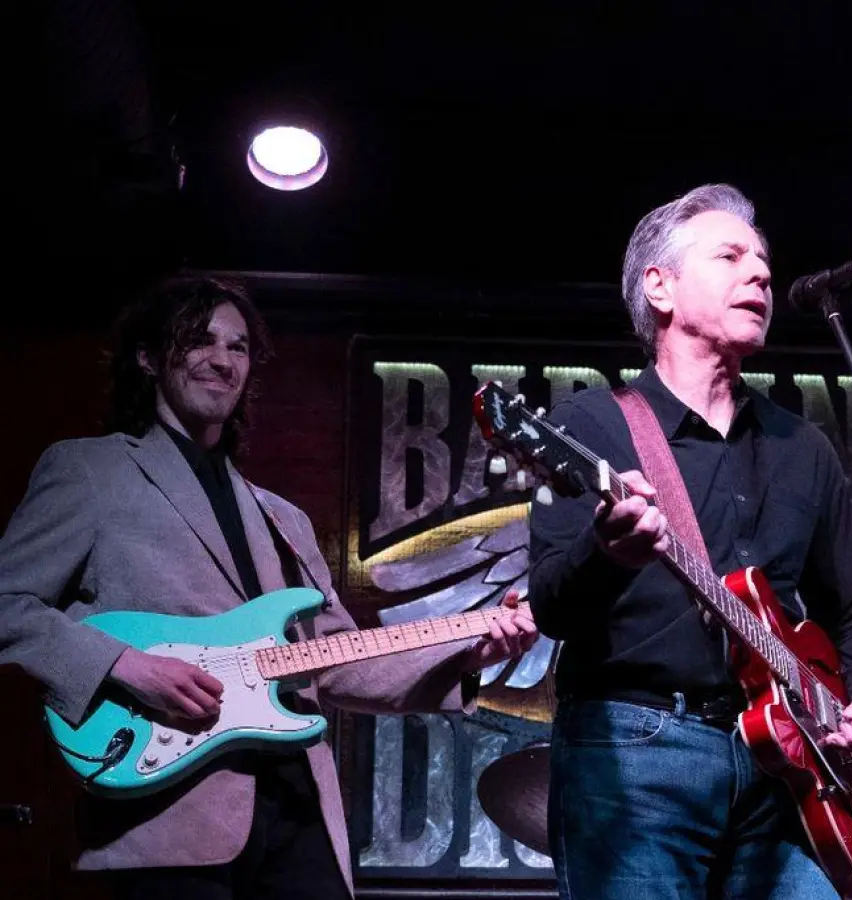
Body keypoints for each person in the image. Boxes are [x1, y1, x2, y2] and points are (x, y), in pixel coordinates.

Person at [0, 275, 539, 900]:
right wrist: (125, 666)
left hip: (297, 813)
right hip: (168, 820)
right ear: (147, 358)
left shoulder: (282, 518)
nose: (223, 360)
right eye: (198, 340)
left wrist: (468, 652)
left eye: (238, 347)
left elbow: (336, 663)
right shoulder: (91, 470)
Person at [525, 183, 852, 899]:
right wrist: (605, 553)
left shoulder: (805, 448)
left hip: (793, 767)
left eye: (762, 261)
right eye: (730, 255)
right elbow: (550, 606)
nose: (759, 274)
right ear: (660, 288)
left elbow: (851, 611)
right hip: (637, 747)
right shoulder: (591, 427)